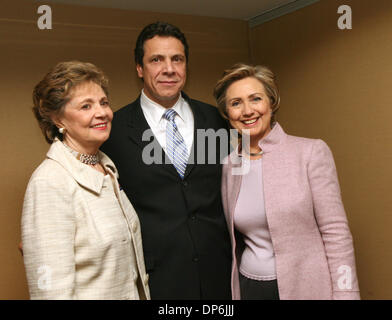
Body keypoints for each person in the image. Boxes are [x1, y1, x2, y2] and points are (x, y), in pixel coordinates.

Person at [101, 22, 232, 299]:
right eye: (156, 59)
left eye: (177, 59)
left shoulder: (217, 121)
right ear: (139, 68)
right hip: (158, 283)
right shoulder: (114, 130)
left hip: (221, 278)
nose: (169, 68)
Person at [214, 63, 360, 300]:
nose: (247, 111)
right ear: (227, 114)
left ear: (271, 102)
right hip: (250, 287)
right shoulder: (230, 165)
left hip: (307, 288)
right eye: (236, 103)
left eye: (255, 99)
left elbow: (336, 233)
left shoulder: (310, 152)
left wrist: (346, 294)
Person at [21, 61, 150, 300]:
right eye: (86, 106)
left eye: (103, 102)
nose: (101, 112)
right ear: (57, 119)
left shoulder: (106, 167)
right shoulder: (50, 182)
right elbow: (51, 292)